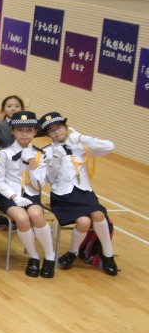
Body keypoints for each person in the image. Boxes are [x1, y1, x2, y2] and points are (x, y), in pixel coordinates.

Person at [39, 112, 118, 276]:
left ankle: (108, 255)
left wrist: (82, 138)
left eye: (59, 127)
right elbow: (49, 179)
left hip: (83, 191)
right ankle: (73, 253)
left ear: (65, 127)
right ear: (48, 135)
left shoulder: (79, 145)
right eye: (51, 130)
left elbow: (109, 146)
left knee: (98, 215)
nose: (56, 132)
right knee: (83, 221)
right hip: (63, 195)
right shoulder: (47, 152)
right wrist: (56, 159)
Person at [0, 110, 57, 278]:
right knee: (21, 218)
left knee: (36, 214)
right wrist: (14, 197)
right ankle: (33, 256)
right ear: (13, 131)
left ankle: (50, 256)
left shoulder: (39, 154)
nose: (24, 134)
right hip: (7, 195)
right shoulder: (4, 153)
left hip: (30, 193)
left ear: (35, 132)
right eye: (20, 130)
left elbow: (39, 184)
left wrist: (33, 164)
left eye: (29, 130)